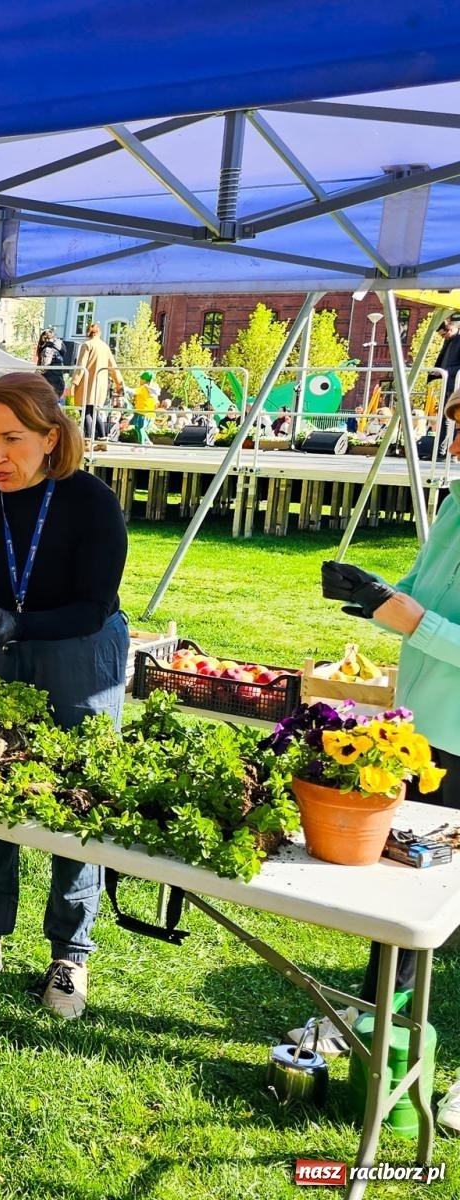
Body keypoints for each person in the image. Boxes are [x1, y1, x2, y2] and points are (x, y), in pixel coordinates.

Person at [0, 373, 129, 1019]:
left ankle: (71, 954)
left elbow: (95, 606)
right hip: (1, 649)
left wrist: (19, 625)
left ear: (50, 436)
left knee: (76, 793)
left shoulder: (90, 501)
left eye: (12, 438)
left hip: (80, 650)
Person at [285, 392, 460, 1089]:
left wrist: (414, 620)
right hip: (421, 737)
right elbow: (418, 596)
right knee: (398, 893)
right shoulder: (455, 500)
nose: (457, 434)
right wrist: (374, 597)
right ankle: (373, 1020)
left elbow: (426, 620)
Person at [69, 324, 125, 441]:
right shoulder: (105, 347)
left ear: (87, 333)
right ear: (99, 333)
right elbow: (113, 367)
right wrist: (119, 383)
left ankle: (88, 440)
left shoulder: (87, 345)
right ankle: (103, 439)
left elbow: (81, 366)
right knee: (95, 412)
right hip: (100, 385)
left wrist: (73, 384)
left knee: (85, 412)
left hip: (86, 383)